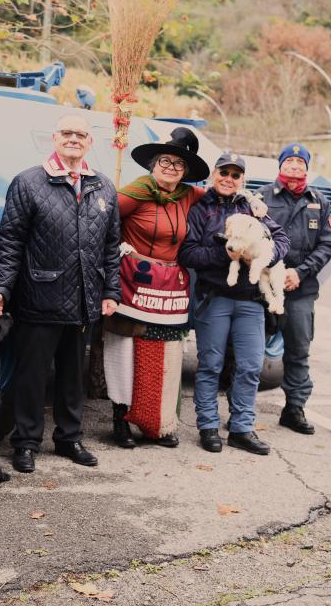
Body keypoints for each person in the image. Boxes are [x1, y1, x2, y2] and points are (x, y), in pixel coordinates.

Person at [0, 114, 121, 474]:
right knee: (32, 375)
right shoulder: (29, 182)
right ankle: (26, 442)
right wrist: (0, 287)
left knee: (72, 374)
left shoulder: (104, 187)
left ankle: (69, 438)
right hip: (40, 295)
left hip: (84, 300)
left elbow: (111, 246)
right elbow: (10, 241)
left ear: (90, 142)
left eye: (81, 134)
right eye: (67, 133)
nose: (73, 139)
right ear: (54, 138)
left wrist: (111, 291)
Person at [103, 128, 208, 449]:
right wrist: (118, 250)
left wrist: (253, 205)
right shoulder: (137, 191)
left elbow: (222, 198)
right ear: (153, 163)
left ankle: (157, 424)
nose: (171, 168)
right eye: (166, 160)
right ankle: (120, 420)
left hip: (169, 292)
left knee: (165, 355)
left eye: (179, 164)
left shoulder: (189, 195)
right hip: (132, 283)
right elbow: (103, 218)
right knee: (125, 350)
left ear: (186, 172)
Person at [179, 153, 289, 456]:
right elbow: (187, 254)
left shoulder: (252, 208)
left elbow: (280, 239)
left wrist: (264, 257)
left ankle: (242, 427)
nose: (229, 179)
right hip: (214, 298)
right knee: (210, 365)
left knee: (251, 366)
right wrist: (223, 256)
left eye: (235, 174)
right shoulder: (200, 210)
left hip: (250, 301)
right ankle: (208, 426)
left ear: (243, 179)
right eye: (223, 173)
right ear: (214, 175)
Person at [255, 143, 331, 435]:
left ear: (306, 168)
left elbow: (327, 244)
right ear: (280, 166)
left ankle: (294, 409)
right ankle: (242, 412)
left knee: (298, 351)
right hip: (263, 289)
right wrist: (274, 271)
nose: (294, 167)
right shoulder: (261, 197)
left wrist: (300, 273)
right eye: (289, 161)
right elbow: (253, 238)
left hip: (300, 290)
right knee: (249, 352)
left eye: (300, 163)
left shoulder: (318, 201)